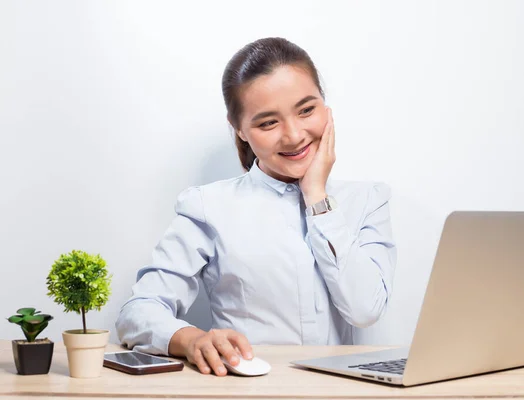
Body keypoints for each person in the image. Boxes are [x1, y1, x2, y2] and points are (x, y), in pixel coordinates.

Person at [116, 37, 397, 377]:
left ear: (326, 108)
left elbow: (365, 310)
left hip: (338, 390)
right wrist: (191, 339)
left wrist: (317, 198)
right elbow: (138, 311)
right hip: (248, 387)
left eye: (307, 110)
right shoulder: (208, 206)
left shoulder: (367, 200)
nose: (293, 136)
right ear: (240, 130)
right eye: (268, 123)